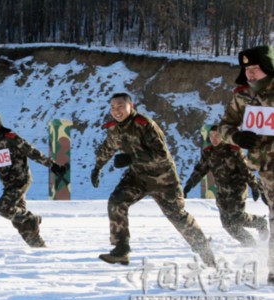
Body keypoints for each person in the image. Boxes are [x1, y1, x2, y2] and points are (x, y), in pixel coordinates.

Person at [91, 93, 215, 266]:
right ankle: (121, 249)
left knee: (178, 216)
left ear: (130, 106)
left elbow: (161, 155)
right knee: (116, 201)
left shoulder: (145, 124)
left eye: (120, 106)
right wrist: (97, 167)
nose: (116, 111)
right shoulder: (114, 128)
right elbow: (107, 148)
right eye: (112, 107)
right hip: (138, 177)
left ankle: (205, 251)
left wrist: (131, 158)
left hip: (163, 178)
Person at [218, 45, 274, 284]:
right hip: (266, 168)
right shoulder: (242, 95)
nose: (250, 73)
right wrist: (236, 137)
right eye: (247, 68)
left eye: (255, 68)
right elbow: (224, 126)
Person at [0, 113, 67, 247]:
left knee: (3, 208)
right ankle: (39, 248)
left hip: (20, 181)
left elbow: (31, 151)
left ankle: (32, 218)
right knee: (19, 222)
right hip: (8, 184)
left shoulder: (11, 138)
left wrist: (52, 164)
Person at [183, 125, 268, 247]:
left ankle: (260, 223)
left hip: (237, 189)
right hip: (222, 192)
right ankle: (249, 243)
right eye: (211, 136)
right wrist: (189, 185)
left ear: (222, 137)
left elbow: (245, 170)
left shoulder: (233, 150)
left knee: (237, 217)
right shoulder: (208, 152)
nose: (214, 139)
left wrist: (254, 186)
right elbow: (200, 170)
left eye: (217, 136)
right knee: (227, 224)